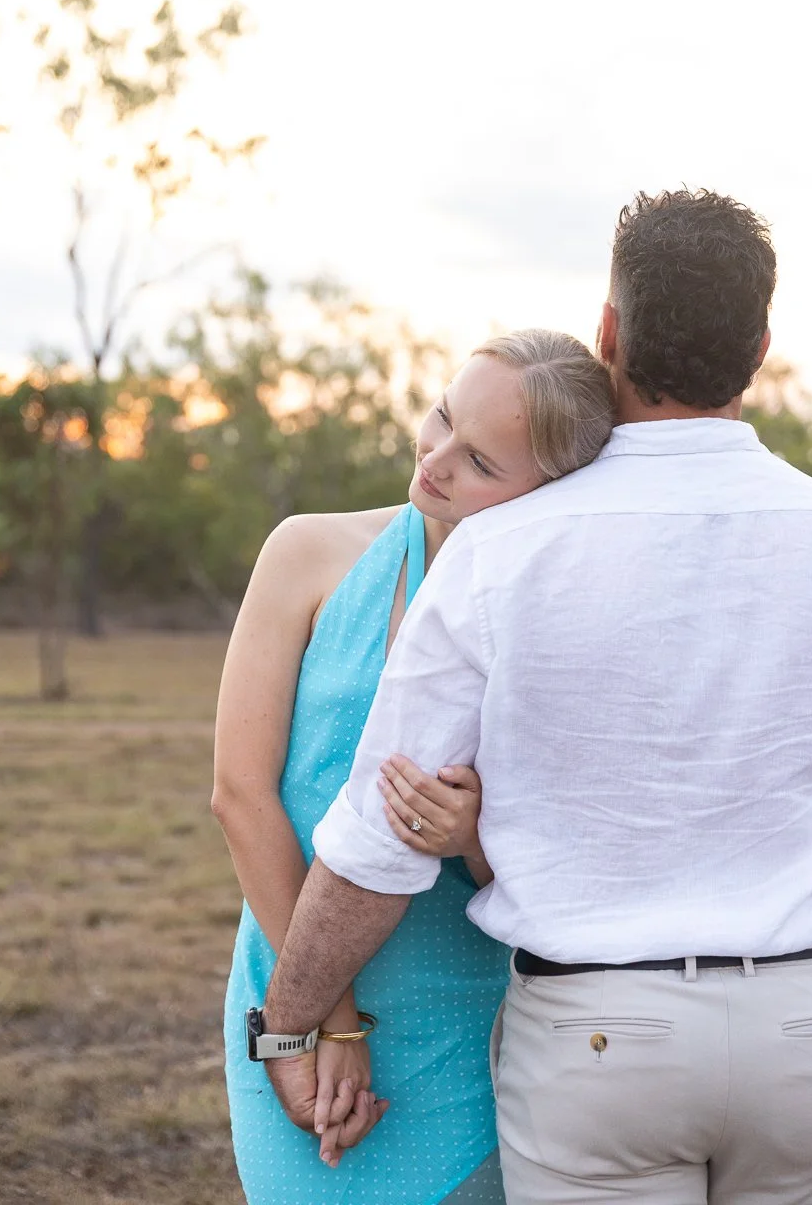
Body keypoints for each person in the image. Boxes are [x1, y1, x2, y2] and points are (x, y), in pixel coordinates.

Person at [262, 187, 812, 1205]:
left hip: (597, 1040)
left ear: (609, 331)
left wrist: (292, 1025)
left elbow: (379, 834)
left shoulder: (501, 554)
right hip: (809, 1021)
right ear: (760, 346)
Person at [212, 328, 615, 1203]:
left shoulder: (561, 616)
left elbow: (570, 857)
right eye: (441, 417)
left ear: (545, 491)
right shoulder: (306, 553)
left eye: (478, 461)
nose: (436, 459)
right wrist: (325, 1020)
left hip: (473, 1030)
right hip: (292, 986)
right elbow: (240, 796)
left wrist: (474, 835)